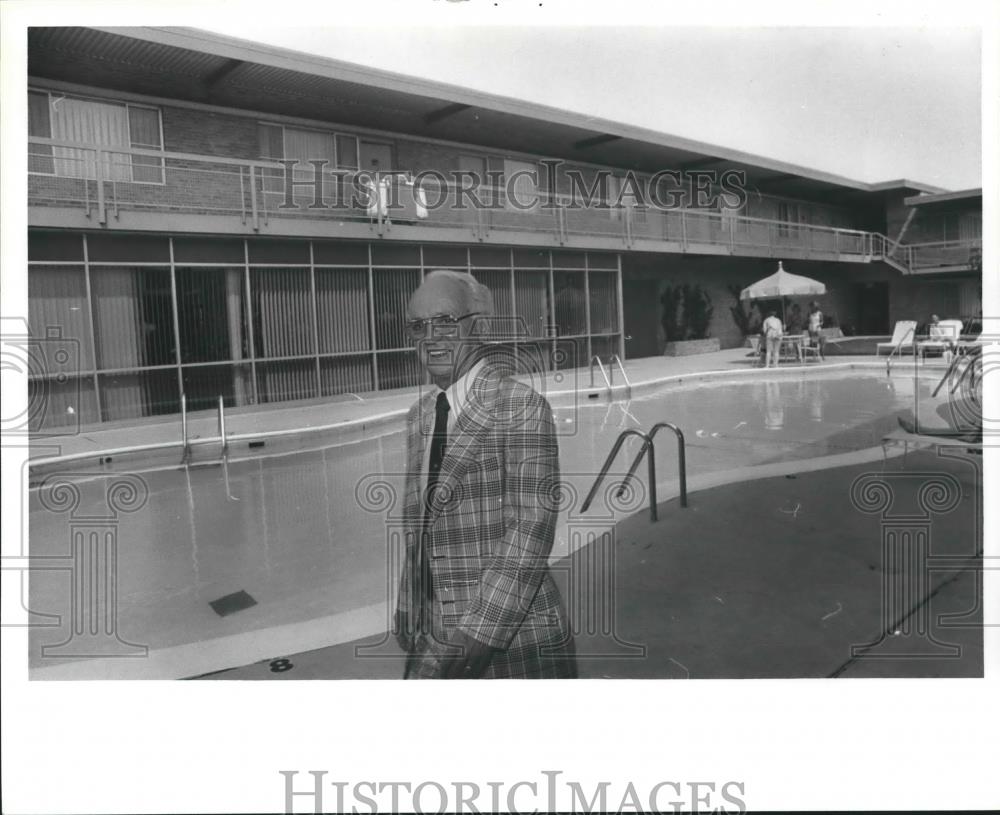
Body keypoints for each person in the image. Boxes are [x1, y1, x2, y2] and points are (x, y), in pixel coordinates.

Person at [393, 269, 576, 679]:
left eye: (444, 321)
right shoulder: (418, 417)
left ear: (480, 327)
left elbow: (531, 528)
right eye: (418, 326)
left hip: (510, 638)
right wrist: (410, 601)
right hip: (433, 631)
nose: (430, 337)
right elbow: (419, 526)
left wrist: (480, 632)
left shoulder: (520, 406)